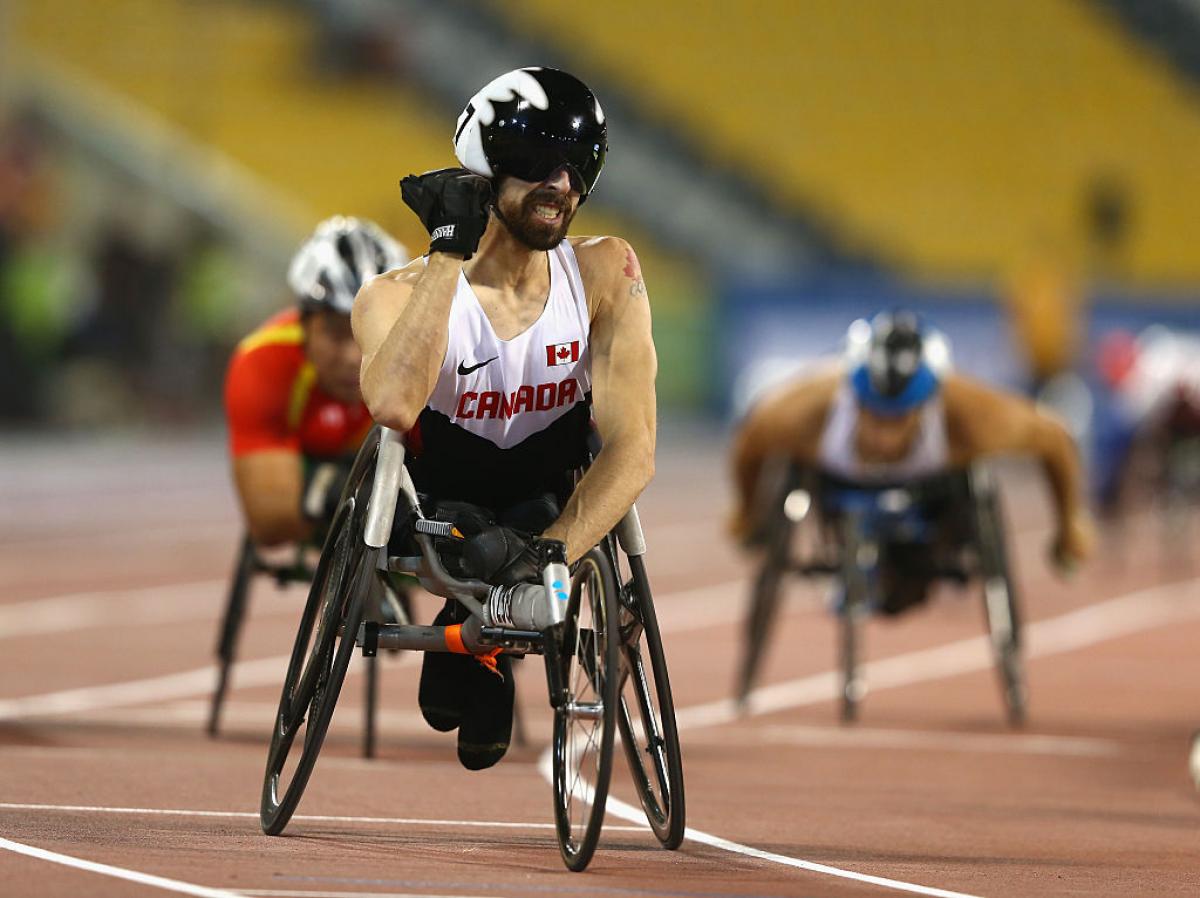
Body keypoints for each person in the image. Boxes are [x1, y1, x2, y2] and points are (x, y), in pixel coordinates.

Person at [352, 66, 657, 770]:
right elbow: (394, 406)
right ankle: (474, 635)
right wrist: (447, 256)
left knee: (508, 545)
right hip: (433, 509)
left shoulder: (607, 273)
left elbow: (634, 450)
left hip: (543, 511)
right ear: (483, 169)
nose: (560, 183)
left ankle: (477, 640)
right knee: (475, 543)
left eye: (579, 166)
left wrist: (550, 551)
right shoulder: (389, 296)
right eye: (531, 163)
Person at [730, 310, 1094, 610]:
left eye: (898, 419)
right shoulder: (806, 411)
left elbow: (1056, 440)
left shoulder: (967, 414)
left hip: (931, 499)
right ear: (854, 399)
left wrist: (1068, 525)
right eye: (873, 415)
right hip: (836, 493)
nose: (883, 436)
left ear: (924, 406)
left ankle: (910, 572)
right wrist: (748, 513)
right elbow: (750, 444)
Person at [225, 216, 408, 547]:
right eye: (337, 333)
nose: (354, 356)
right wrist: (334, 491)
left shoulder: (427, 361)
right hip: (306, 468)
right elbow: (269, 523)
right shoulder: (263, 360)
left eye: (370, 331)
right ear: (304, 327)